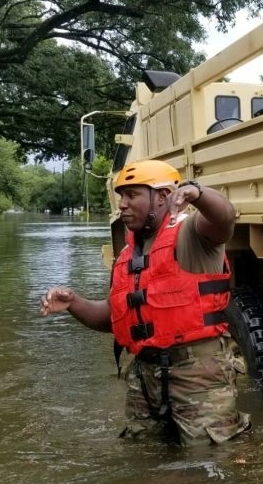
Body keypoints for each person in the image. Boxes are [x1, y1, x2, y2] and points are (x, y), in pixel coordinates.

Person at [39, 159, 251, 446]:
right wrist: (74, 303)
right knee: (143, 456)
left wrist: (197, 193)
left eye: (132, 195)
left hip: (197, 373)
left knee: (209, 463)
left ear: (163, 197)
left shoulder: (192, 234)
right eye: (120, 196)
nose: (122, 204)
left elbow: (224, 219)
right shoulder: (128, 253)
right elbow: (114, 318)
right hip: (145, 376)